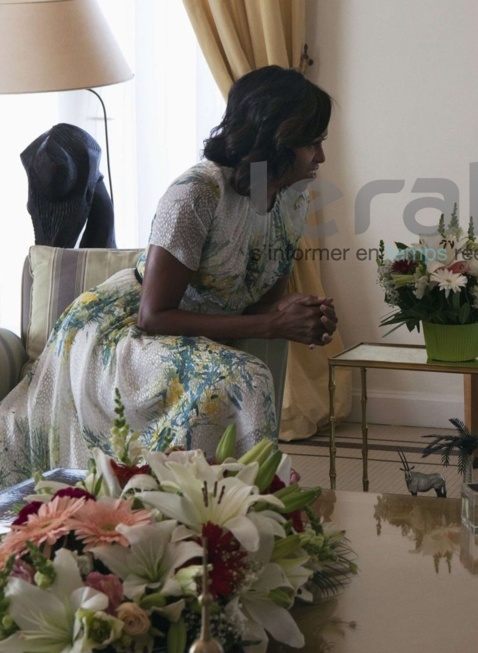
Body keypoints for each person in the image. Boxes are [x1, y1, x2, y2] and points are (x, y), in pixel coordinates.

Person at [0, 65, 337, 485]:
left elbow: (263, 298)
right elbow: (154, 316)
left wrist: (299, 313)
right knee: (242, 377)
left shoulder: (290, 197)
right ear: (278, 137)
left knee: (240, 373)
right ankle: (219, 504)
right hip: (123, 332)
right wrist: (272, 324)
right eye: (313, 143)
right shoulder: (197, 193)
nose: (321, 157)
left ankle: (228, 507)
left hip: (181, 330)